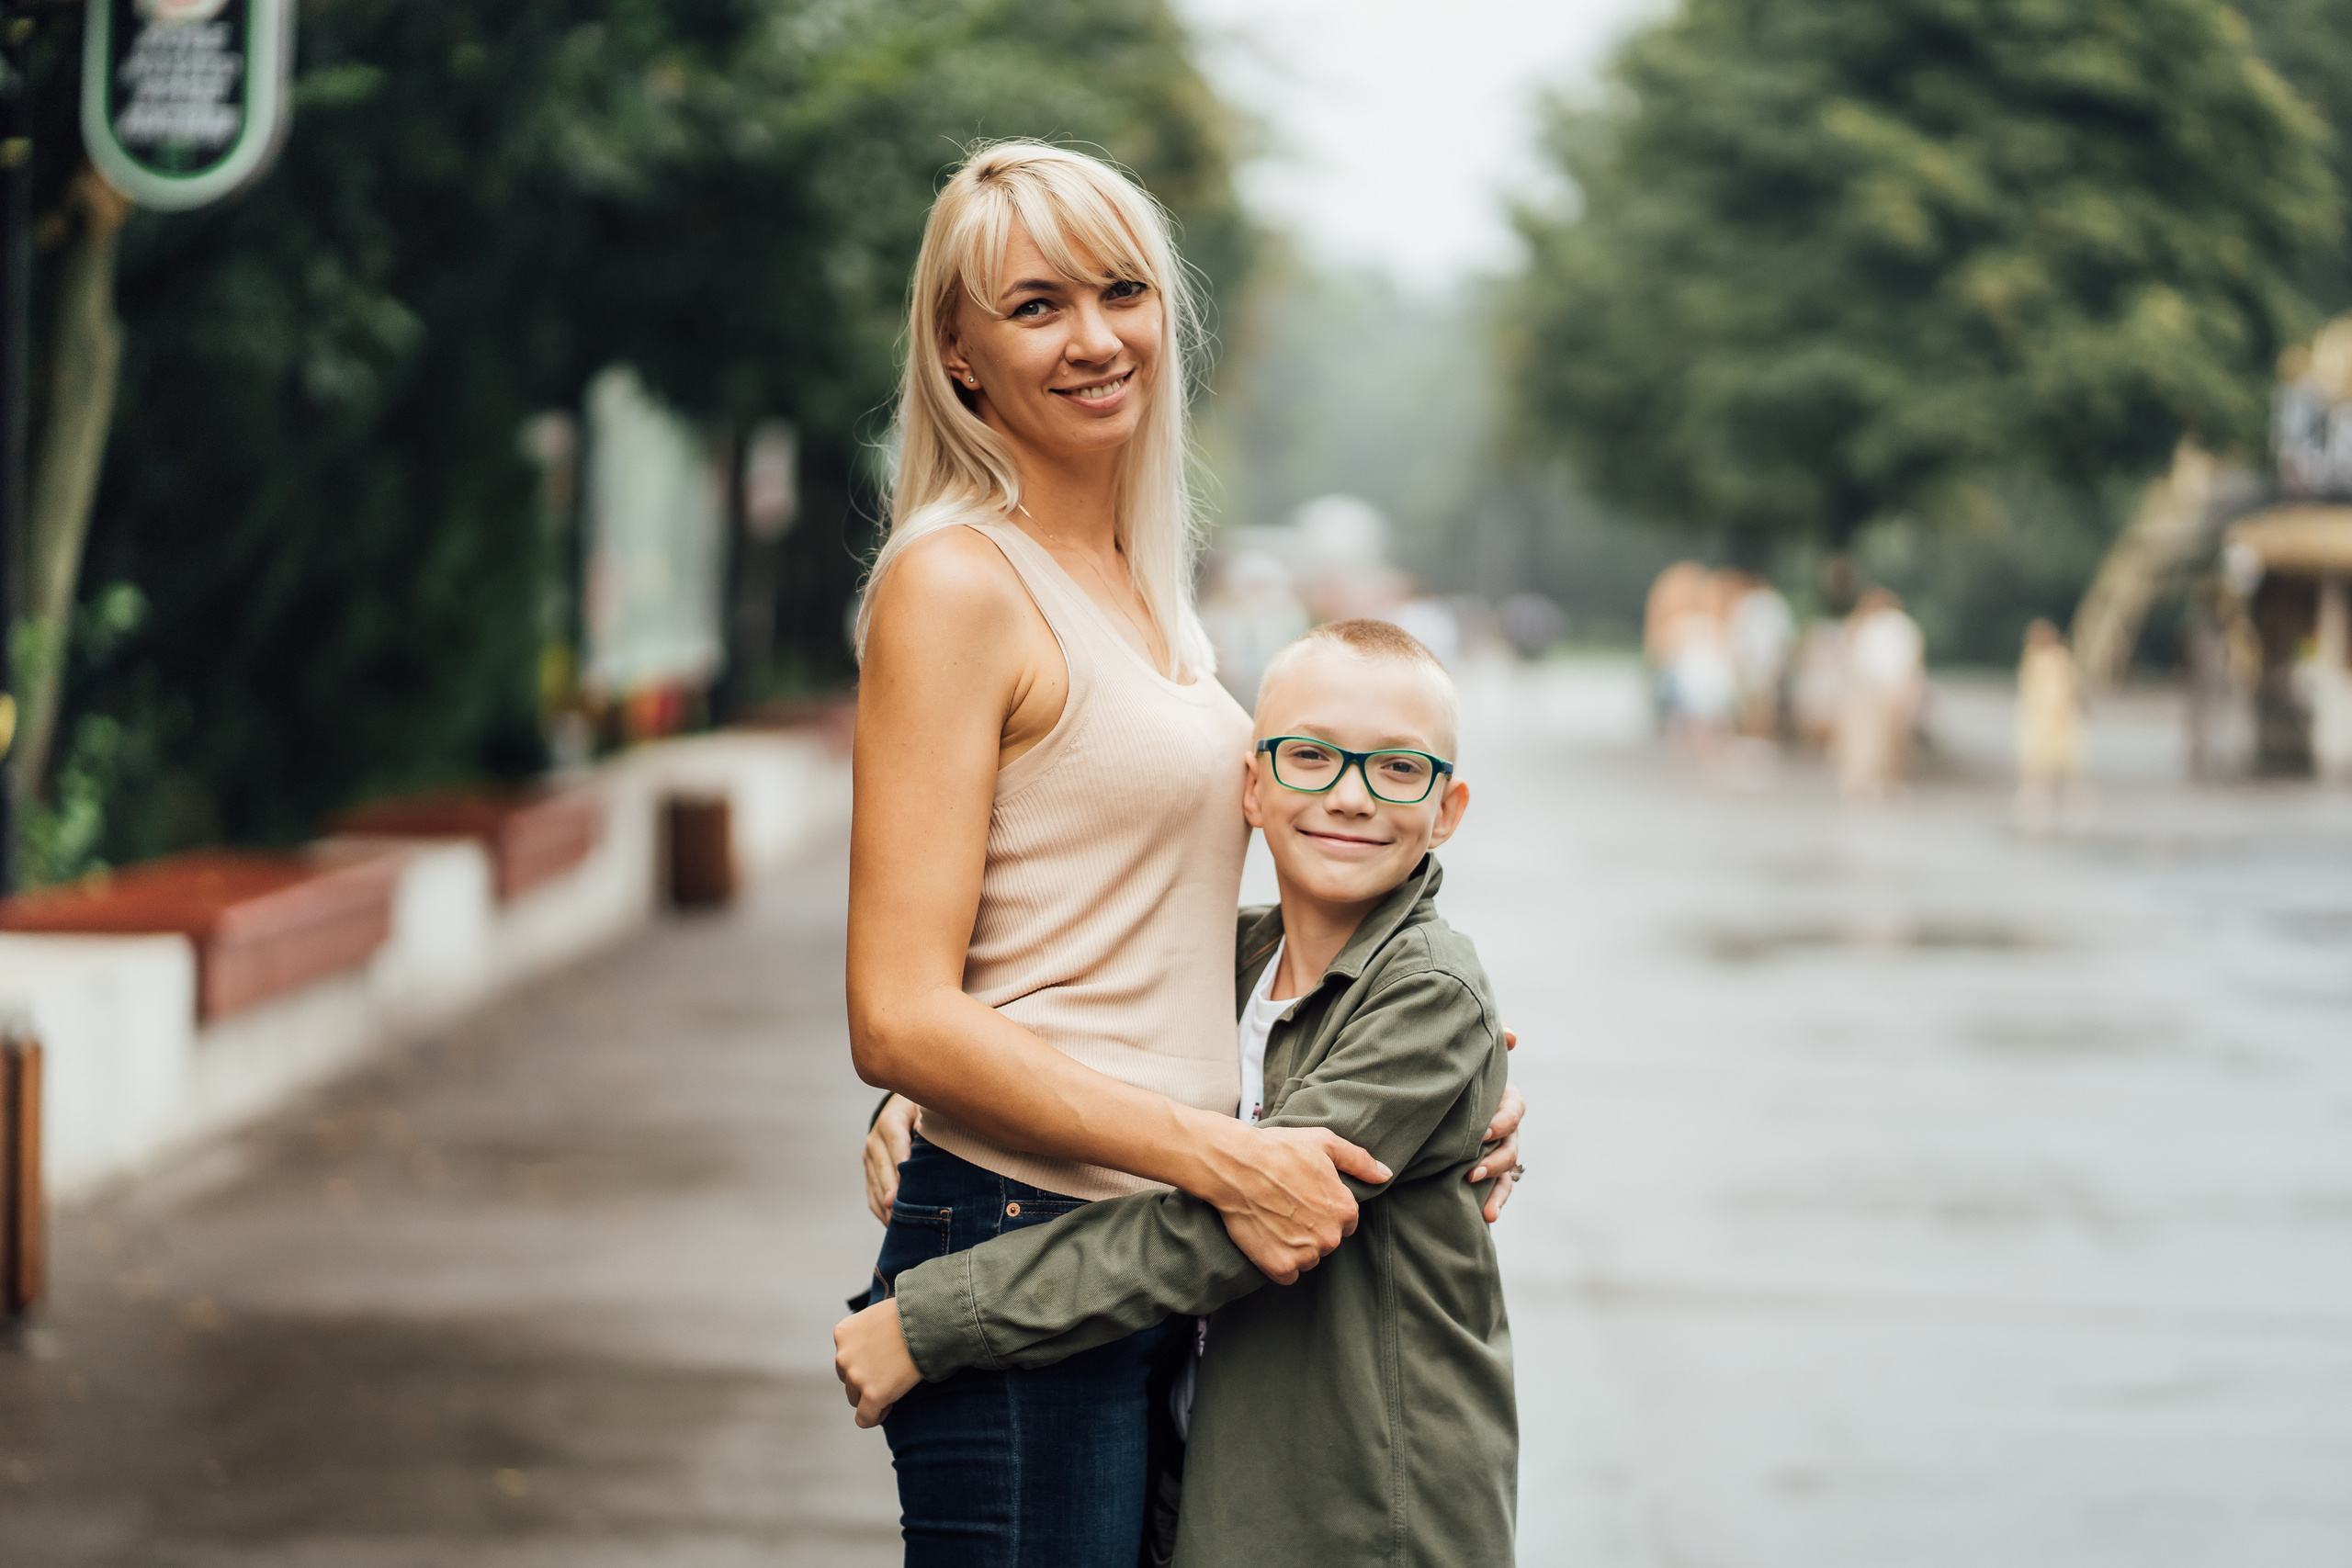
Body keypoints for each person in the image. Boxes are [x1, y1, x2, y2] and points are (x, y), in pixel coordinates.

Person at [843, 142, 1526, 1567]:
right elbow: (898, 1009)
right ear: (959, 356)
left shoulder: (1160, 604)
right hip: (1031, 1230)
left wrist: (1433, 1086)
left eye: (1122, 290)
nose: (1095, 337)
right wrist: (1223, 1153)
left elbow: (1115, 927)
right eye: (1035, 306)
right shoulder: (957, 578)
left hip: (1154, 1249)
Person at [839, 619, 1516, 1568]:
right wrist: (917, 1095)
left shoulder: (1427, 992)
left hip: (1359, 1519)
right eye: (1310, 756)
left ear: (1448, 808)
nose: (1352, 796)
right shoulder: (1226, 958)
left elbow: (1225, 1228)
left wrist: (936, 1319)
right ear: (1252, 784)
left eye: (1398, 769)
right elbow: (1062, 1030)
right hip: (1205, 1485)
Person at [1832, 587, 1926, 802]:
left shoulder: (1896, 626)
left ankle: (1887, 783)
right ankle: (1865, 782)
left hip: (1886, 687)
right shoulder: (1868, 625)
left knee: (1889, 740)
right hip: (1868, 687)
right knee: (1866, 740)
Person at [2014, 618, 2085, 823]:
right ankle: (2039, 792)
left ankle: (2061, 792)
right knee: (2038, 754)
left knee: (2058, 755)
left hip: (2053, 714)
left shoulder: (2058, 659)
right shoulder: (2033, 658)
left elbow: (2065, 688)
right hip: (2039, 714)